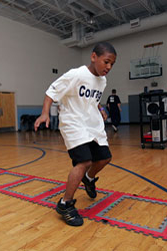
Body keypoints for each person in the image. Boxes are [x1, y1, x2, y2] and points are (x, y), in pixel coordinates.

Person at [34, 42, 117, 227]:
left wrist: (101, 109)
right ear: (94, 57)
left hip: (92, 123)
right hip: (73, 123)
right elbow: (51, 92)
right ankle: (65, 204)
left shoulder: (102, 81)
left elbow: (94, 99)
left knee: (105, 158)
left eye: (112, 64)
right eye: (106, 62)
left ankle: (88, 179)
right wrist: (45, 113)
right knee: (84, 161)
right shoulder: (76, 74)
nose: (109, 67)